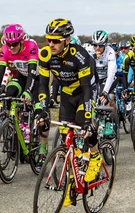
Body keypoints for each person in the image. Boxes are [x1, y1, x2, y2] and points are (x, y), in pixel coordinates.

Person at [36, 19, 97, 194]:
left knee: (82, 123)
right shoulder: (45, 55)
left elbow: (86, 89)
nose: (51, 44)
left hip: (85, 90)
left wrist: (87, 118)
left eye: (56, 40)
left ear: (67, 40)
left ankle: (95, 155)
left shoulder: (80, 55)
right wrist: (42, 109)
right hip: (67, 93)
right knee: (65, 135)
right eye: (49, 40)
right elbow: (42, 85)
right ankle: (73, 177)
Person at [0, 24, 39, 146]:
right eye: (9, 44)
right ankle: (14, 122)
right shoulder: (5, 49)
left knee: (32, 100)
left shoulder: (31, 46)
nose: (11, 47)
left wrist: (27, 91)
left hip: (36, 77)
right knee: (10, 92)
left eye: (14, 44)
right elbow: (0, 71)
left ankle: (30, 127)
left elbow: (32, 72)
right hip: (21, 75)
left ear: (21, 41)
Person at [90, 30, 118, 135]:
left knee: (108, 99)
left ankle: (110, 122)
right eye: (95, 45)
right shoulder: (89, 50)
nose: (97, 48)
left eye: (100, 46)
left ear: (105, 45)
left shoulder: (110, 52)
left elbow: (111, 73)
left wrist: (105, 92)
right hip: (96, 78)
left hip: (108, 78)